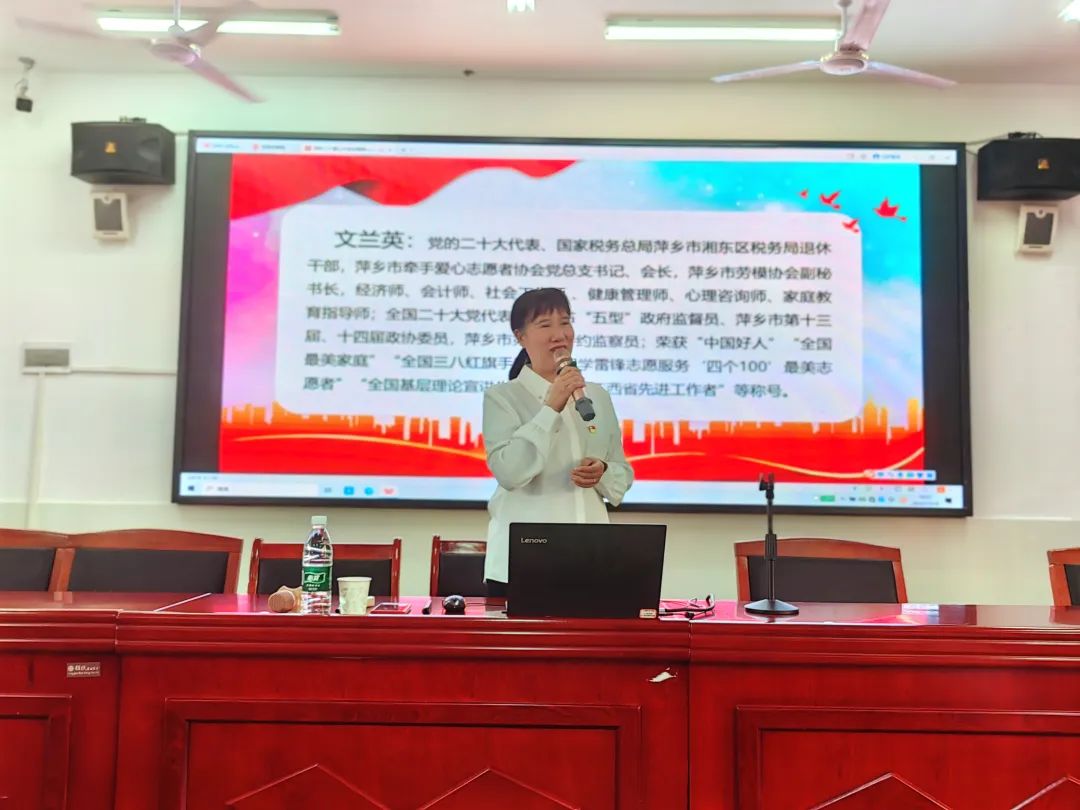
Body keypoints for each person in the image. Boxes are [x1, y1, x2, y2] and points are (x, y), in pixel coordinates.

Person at [482, 287, 634, 596]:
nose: (559, 334)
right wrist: (550, 407)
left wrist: (603, 471)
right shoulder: (502, 397)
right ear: (520, 337)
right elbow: (510, 473)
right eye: (545, 325)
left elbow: (622, 475)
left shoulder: (597, 396)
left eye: (565, 322)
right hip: (522, 564)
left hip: (590, 560)